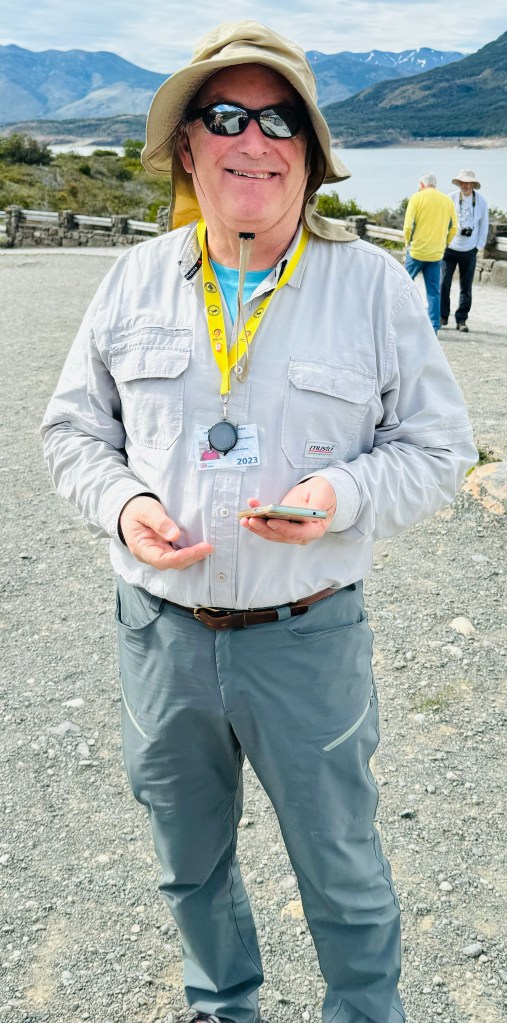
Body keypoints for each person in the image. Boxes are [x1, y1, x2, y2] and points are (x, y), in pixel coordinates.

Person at [41, 21, 477, 1023]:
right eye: (226, 115)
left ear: (310, 155)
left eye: (280, 121)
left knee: (340, 864)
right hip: (161, 635)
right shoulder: (132, 279)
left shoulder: (371, 287)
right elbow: (71, 430)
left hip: (307, 634)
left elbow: (437, 447)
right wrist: (124, 503)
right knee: (187, 858)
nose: (254, 139)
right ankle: (221, 1004)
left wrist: (340, 498)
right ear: (187, 145)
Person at [403, 173, 457, 333]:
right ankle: (434, 327)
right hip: (436, 253)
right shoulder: (447, 200)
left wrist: (407, 243)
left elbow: (408, 226)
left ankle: (401, 321)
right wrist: (445, 243)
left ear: (421, 185)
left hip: (416, 252)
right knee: (434, 292)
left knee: (403, 286)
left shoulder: (416, 198)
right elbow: (454, 227)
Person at [440, 169, 489, 332]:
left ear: (473, 184)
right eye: (462, 182)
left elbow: (484, 225)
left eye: (468, 183)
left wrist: (478, 247)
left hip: (469, 250)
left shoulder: (481, 202)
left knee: (466, 288)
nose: (464, 185)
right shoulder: (451, 198)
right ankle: (442, 316)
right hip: (449, 248)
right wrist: (443, 242)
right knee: (443, 284)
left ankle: (461, 320)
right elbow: (442, 220)